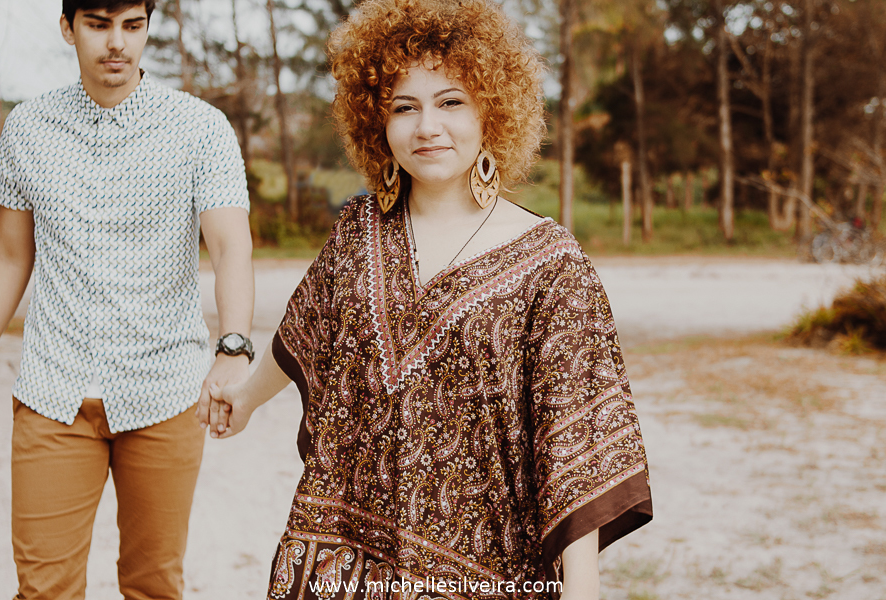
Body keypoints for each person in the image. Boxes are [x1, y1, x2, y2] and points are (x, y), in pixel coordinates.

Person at [202, 0, 652, 597]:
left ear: (491, 110)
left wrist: (581, 590)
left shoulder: (552, 267)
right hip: (345, 564)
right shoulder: (360, 232)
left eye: (451, 102)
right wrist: (247, 399)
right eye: (404, 107)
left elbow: (574, 445)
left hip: (488, 573)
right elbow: (305, 333)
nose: (427, 127)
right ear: (376, 122)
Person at [0, 1, 255, 598]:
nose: (117, 44)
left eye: (132, 26)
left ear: (147, 29)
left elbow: (230, 245)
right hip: (53, 395)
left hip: (164, 394)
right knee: (43, 590)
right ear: (67, 27)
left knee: (153, 585)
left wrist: (233, 345)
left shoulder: (200, 127)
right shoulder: (29, 128)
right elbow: (9, 255)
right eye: (99, 24)